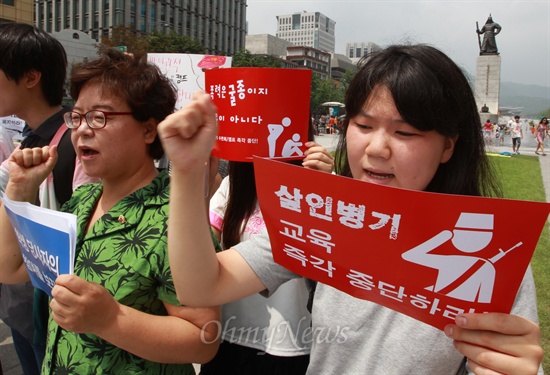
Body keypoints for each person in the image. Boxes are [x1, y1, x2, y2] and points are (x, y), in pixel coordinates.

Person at [158, 44, 544, 374]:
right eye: (363, 125)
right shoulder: (328, 215)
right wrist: (188, 172)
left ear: (448, 146)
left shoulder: (484, 251)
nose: (377, 149)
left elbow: (502, 357)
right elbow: (200, 285)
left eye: (405, 132)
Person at [0, 49, 220, 373]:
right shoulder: (82, 200)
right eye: (77, 117)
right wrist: (18, 192)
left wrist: (111, 319)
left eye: (100, 117)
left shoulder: (176, 219)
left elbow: (203, 338)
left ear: (148, 130)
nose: (83, 130)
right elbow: (12, 269)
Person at [0, 22, 97, 375]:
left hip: (52, 312)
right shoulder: (28, 141)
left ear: (30, 78)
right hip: (22, 307)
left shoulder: (74, 146)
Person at [203, 127, 333, 374]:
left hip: (293, 345)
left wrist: (325, 187)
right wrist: (199, 186)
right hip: (229, 339)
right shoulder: (232, 188)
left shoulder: (321, 187)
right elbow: (201, 259)